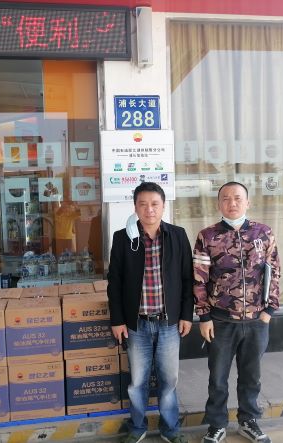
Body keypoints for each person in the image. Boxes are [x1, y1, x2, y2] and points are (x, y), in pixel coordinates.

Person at [193, 182, 280, 443]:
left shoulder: (263, 233)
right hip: (221, 320)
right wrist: (204, 316)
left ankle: (248, 421)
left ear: (247, 202)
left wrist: (269, 310)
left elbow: (274, 271)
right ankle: (216, 424)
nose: (232, 203)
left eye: (238, 198)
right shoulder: (207, 236)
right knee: (218, 377)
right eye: (226, 198)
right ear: (218, 203)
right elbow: (199, 279)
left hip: (256, 320)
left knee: (251, 376)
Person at [107, 182, 194, 443]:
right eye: (143, 204)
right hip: (137, 325)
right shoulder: (123, 238)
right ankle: (137, 427)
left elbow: (188, 279)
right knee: (137, 382)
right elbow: (115, 282)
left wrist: (186, 315)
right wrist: (117, 320)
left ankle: (170, 429)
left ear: (163, 206)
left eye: (155, 204)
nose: (149, 209)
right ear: (135, 207)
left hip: (169, 323)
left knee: (169, 380)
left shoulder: (177, 235)